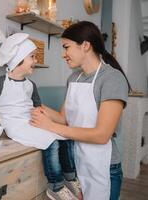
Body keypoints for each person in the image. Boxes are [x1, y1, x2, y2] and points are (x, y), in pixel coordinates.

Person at [0, 33, 80, 199]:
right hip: (14, 125)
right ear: (18, 59)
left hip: (31, 121)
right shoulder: (1, 82)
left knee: (66, 137)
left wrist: (50, 123)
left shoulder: (31, 85)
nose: (36, 61)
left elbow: (38, 108)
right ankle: (55, 186)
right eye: (32, 57)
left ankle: (71, 178)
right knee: (52, 142)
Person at [30, 21, 130, 200]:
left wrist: (50, 126)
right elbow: (64, 118)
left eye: (66, 47)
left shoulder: (112, 79)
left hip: (103, 167)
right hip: (77, 164)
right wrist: (31, 104)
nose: (63, 54)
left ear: (85, 45)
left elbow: (102, 135)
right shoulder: (73, 78)